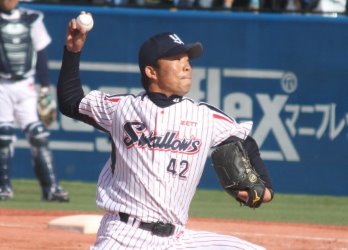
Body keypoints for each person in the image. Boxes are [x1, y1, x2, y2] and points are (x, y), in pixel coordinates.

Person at [57, 12, 274, 249]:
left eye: (187, 59)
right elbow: (70, 101)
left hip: (177, 239)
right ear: (151, 72)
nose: (186, 65)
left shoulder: (205, 116)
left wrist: (266, 189)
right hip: (123, 236)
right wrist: (73, 50)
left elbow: (245, 140)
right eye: (176, 59)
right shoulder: (123, 109)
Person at [0, 0, 69, 201]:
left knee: (38, 135)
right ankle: (3, 187)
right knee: (4, 134)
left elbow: (41, 54)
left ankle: (51, 188)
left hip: (25, 85)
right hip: (0, 86)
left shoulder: (32, 19)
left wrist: (45, 87)